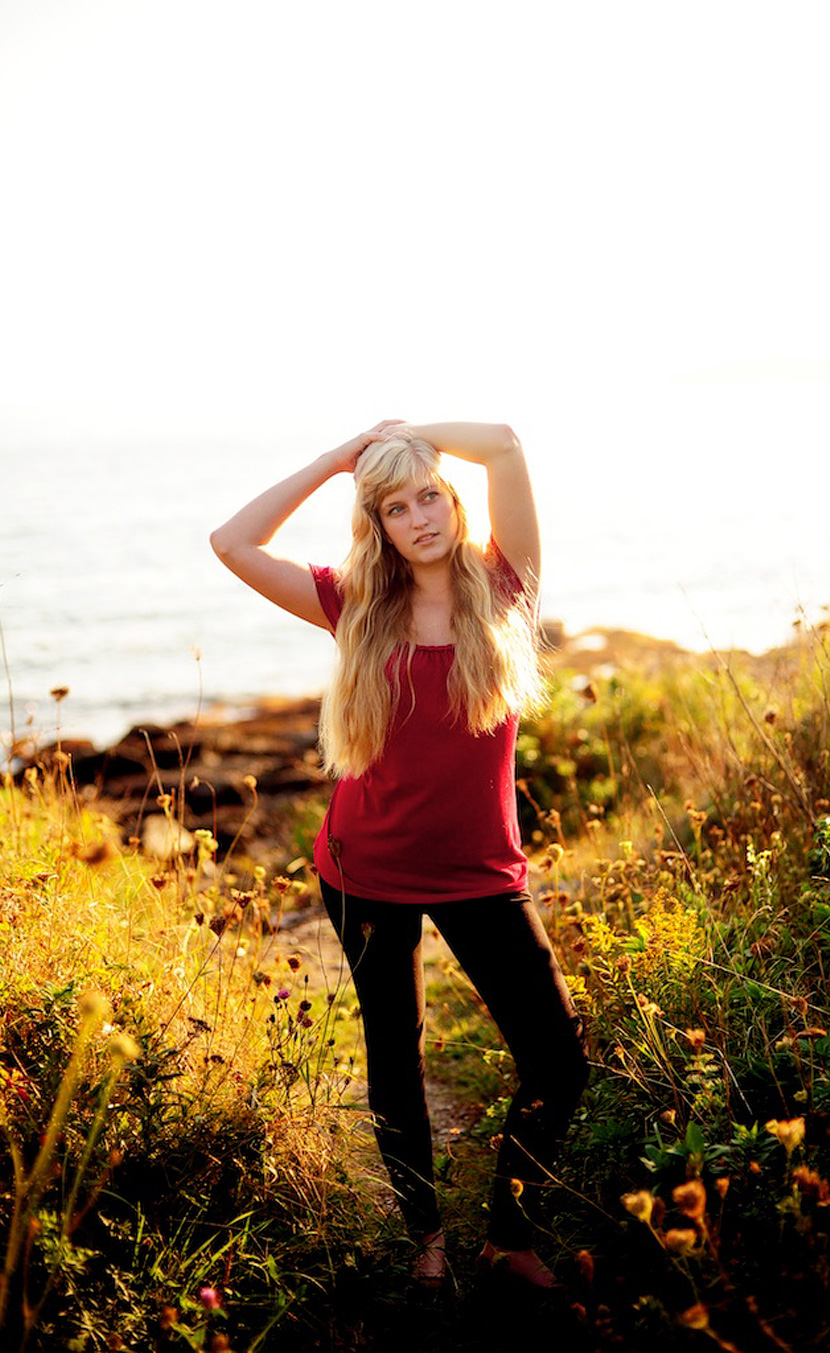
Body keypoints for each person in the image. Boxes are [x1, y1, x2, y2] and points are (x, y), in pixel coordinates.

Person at [210, 421, 589, 1290]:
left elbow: (503, 445)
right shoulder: (352, 603)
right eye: (395, 505)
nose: (420, 517)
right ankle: (424, 1236)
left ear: (452, 501)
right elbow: (232, 542)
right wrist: (332, 460)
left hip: (481, 872)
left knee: (560, 1060)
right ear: (376, 524)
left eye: (429, 495)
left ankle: (509, 1234)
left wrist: (412, 437)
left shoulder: (506, 583)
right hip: (364, 868)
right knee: (397, 1053)